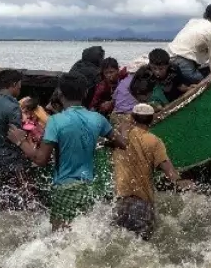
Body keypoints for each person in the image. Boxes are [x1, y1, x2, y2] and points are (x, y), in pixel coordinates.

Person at [9, 73, 126, 229]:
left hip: (65, 188)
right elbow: (122, 143)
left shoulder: (55, 122)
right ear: (85, 93)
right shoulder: (98, 119)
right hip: (88, 187)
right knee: (83, 234)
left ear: (60, 94)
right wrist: (122, 130)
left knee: (59, 237)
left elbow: (40, 160)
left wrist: (20, 141)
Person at [111, 103, 190, 239]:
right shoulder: (154, 141)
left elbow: (118, 120)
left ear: (133, 117)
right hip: (142, 205)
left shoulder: (118, 138)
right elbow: (168, 169)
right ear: (152, 119)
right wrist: (179, 181)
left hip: (120, 204)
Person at [0, 69, 41, 209]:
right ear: (14, 84)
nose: (20, 88)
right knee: (28, 198)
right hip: (11, 160)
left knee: (3, 198)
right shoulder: (13, 106)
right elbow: (16, 135)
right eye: (19, 85)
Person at [167, 4, 211, 86]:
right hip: (183, 63)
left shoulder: (192, 22)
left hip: (169, 57)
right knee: (208, 80)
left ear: (204, 14)